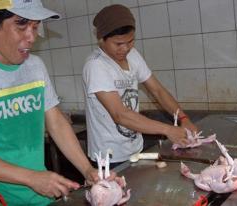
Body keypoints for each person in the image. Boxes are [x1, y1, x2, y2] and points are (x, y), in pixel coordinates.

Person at [0, 0, 121, 205]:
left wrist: (87, 169)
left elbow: (56, 122)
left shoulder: (35, 66)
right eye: (21, 25)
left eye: (35, 26)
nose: (32, 37)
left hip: (41, 198)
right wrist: (31, 178)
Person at [83, 4, 198, 168]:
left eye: (130, 42)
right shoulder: (96, 66)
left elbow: (157, 90)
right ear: (101, 39)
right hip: (109, 158)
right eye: (118, 43)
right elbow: (119, 114)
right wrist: (168, 130)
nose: (125, 48)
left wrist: (183, 118)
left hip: (135, 149)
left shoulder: (133, 55)